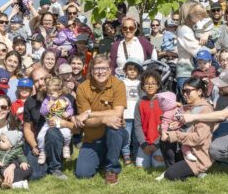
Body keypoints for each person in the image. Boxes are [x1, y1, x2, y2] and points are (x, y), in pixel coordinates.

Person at [72, 55, 126, 184]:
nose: (100, 72)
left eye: (104, 68)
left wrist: (90, 114)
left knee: (113, 126)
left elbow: (117, 113)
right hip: (92, 139)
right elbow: (84, 122)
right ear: (91, 71)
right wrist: (103, 119)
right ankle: (104, 158)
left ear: (110, 70)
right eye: (97, 68)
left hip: (115, 134)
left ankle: (112, 169)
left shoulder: (118, 84)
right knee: (82, 174)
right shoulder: (83, 88)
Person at [157, 78, 214, 182]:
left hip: (196, 154)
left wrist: (174, 135)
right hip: (182, 150)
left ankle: (189, 169)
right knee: (164, 139)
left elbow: (198, 138)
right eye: (183, 91)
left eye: (188, 91)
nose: (184, 94)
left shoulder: (206, 110)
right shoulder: (185, 107)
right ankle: (174, 167)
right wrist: (163, 128)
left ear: (200, 92)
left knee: (170, 175)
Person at [133, 70, 169, 170]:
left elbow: (166, 124)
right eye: (147, 84)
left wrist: (156, 144)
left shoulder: (163, 101)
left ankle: (158, 155)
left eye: (153, 83)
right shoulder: (139, 103)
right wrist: (144, 144)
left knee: (159, 166)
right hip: (144, 143)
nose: (150, 86)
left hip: (159, 143)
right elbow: (137, 125)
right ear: (142, 86)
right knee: (140, 168)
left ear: (158, 86)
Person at [175, 1, 211, 94]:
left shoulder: (192, 28)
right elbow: (197, 51)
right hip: (187, 73)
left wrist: (207, 33)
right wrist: (213, 50)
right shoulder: (184, 29)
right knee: (191, 105)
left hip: (195, 72)